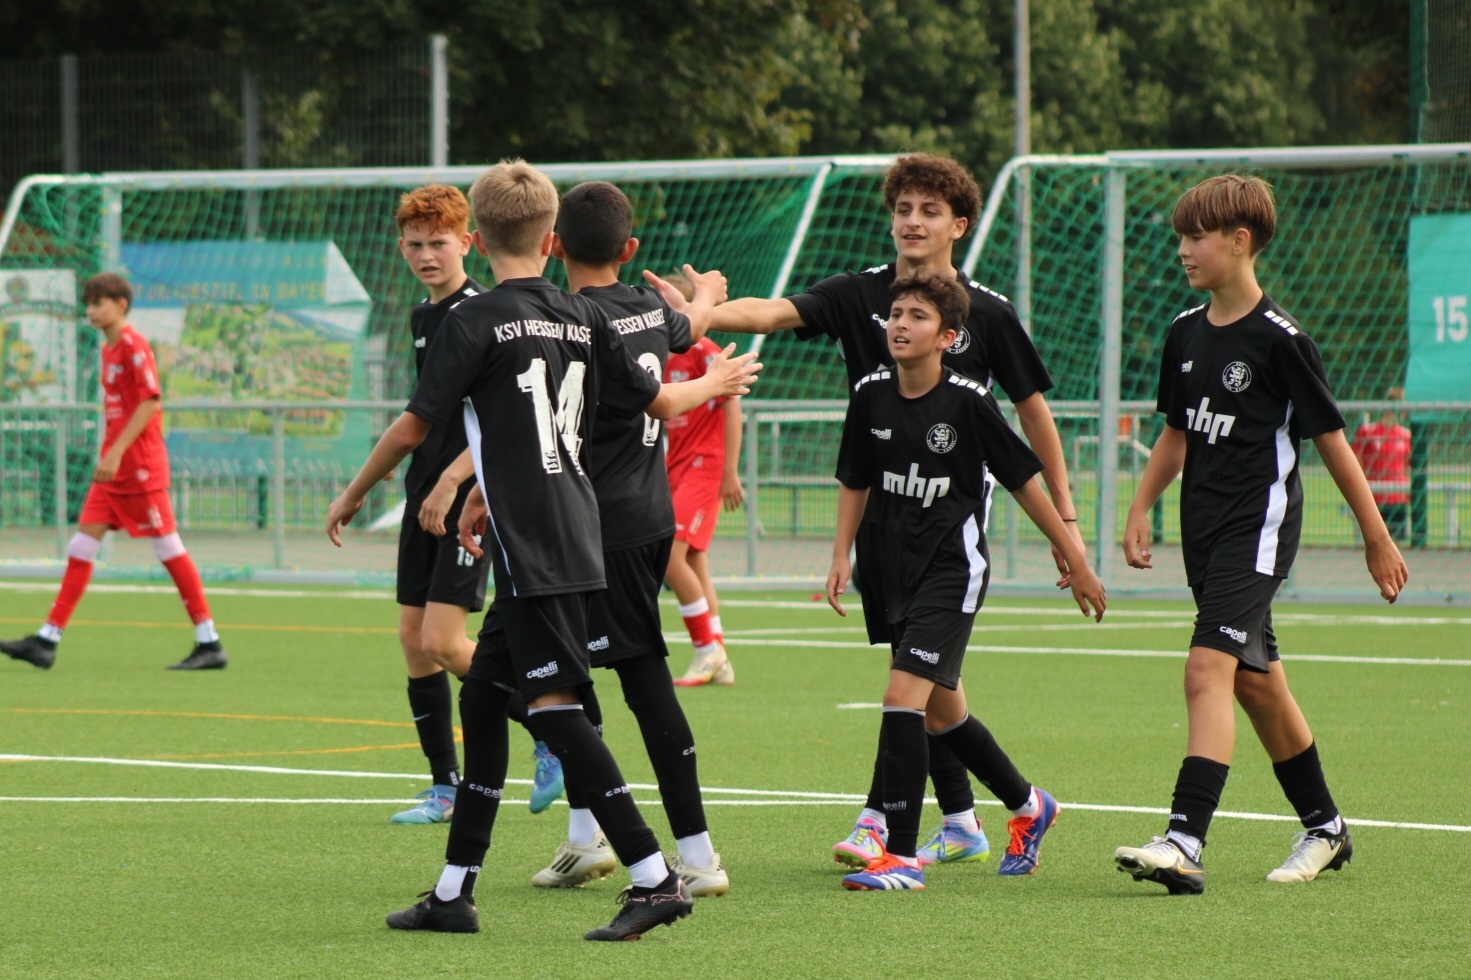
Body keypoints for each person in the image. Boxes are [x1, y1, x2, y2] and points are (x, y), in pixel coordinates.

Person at [324, 160, 760, 941]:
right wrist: (712, 362)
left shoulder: (473, 321)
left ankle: (654, 877)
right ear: (549, 237)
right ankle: (454, 891)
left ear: (478, 236)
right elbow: (658, 397)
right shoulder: (580, 315)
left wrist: (355, 491)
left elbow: (415, 426)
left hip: (535, 543)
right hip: (571, 525)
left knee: (555, 708)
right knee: (484, 698)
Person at [676, 152, 1084, 869]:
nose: (912, 222)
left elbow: (1031, 413)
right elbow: (770, 312)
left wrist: (1067, 519)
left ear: (958, 225)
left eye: (929, 211)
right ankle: (976, 816)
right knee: (933, 692)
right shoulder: (858, 293)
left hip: (949, 526)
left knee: (909, 683)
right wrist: (698, 312)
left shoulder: (986, 313)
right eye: (903, 209)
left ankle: (879, 825)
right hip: (880, 522)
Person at [1114, 174, 1408, 894]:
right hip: (1204, 534)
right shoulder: (1184, 332)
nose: (1183, 249)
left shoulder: (1282, 341)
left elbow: (1332, 443)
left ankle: (1184, 840)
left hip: (1258, 529)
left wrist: (1375, 536)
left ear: (1239, 241)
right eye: (1181, 237)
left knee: (1204, 671)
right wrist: (1141, 505)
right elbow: (1175, 433)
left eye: (1196, 237)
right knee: (1254, 683)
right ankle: (1326, 829)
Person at [827, 271, 1105, 891]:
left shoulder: (968, 402)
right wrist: (841, 553)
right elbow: (855, 478)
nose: (900, 325)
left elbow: (1024, 484)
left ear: (948, 337)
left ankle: (899, 857)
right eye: (895, 314)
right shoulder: (870, 394)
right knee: (942, 716)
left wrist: (1076, 558)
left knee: (902, 697)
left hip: (951, 573)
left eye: (917, 317)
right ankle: (1029, 804)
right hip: (892, 572)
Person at [507, 179, 731, 896]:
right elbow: (687, 326)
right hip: (646, 518)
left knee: (557, 679)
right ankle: (596, 840)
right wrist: (705, 295)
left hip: (586, 526)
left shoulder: (569, 319)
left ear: (553, 246)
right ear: (629, 249)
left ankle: (689, 855)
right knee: (591, 677)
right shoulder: (644, 308)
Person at [379, 184, 562, 825]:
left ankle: (552, 733)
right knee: (413, 640)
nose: (426, 255)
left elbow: (500, 420)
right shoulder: (423, 317)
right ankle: (444, 788)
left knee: (444, 640)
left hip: (466, 502)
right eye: (415, 244)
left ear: (468, 243)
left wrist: (454, 480)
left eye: (439, 243)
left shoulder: (483, 313)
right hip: (423, 497)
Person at [1, 273, 226, 671]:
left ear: (121, 305)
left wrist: (118, 451)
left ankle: (209, 642)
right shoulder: (108, 349)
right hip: (113, 472)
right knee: (81, 547)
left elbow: (150, 402)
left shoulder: (134, 345)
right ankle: (46, 640)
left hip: (138, 468)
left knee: (167, 547)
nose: (90, 310)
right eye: (88, 303)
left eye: (98, 303)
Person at [663, 332, 744, 686]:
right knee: (693, 561)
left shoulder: (702, 349)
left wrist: (730, 471)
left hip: (704, 465)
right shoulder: (657, 352)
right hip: (675, 466)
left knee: (669, 555)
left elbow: (732, 404)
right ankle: (719, 658)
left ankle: (706, 649)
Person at [1351, 386, 1411, 540]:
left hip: (1398, 498)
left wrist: (1408, 492)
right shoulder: (1367, 432)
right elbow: (1357, 460)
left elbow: (1408, 467)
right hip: (1374, 498)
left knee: (1397, 543)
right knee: (1375, 541)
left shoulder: (1405, 435)